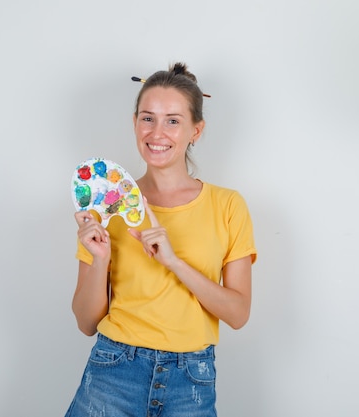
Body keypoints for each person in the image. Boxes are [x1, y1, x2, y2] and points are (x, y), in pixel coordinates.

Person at [65, 62, 257, 417]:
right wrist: (101, 259)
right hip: (113, 372)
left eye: (173, 120)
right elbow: (86, 323)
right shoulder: (105, 205)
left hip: (191, 381)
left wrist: (174, 261)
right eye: (147, 118)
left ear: (195, 131)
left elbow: (238, 313)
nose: (157, 132)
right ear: (135, 123)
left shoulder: (228, 205)